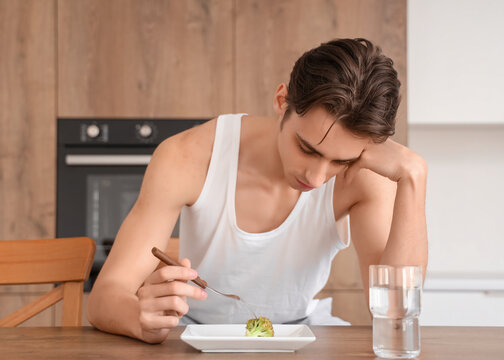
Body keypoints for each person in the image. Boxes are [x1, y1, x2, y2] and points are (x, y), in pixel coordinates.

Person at [87, 38, 428, 344]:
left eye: (340, 161)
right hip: (194, 337)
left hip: (304, 334)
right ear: (282, 101)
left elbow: (396, 313)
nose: (317, 176)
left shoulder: (364, 176)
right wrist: (138, 319)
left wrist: (414, 178)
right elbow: (104, 296)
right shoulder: (188, 157)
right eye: (307, 149)